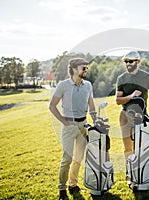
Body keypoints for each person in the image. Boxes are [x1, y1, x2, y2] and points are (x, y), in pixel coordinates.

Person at [49, 58, 97, 200]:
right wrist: (64, 121)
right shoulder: (63, 85)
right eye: (83, 68)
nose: (86, 70)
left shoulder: (88, 85)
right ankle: (62, 190)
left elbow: (92, 106)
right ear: (74, 69)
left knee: (78, 158)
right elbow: (52, 105)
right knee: (67, 159)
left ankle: (73, 184)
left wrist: (95, 121)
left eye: (87, 68)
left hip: (84, 125)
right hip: (69, 126)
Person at [115, 50, 149, 185]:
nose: (128, 64)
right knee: (128, 148)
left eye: (130, 61)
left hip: (143, 117)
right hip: (125, 116)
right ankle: (130, 175)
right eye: (126, 61)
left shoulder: (146, 76)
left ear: (138, 62)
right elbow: (118, 100)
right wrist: (131, 96)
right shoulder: (122, 78)